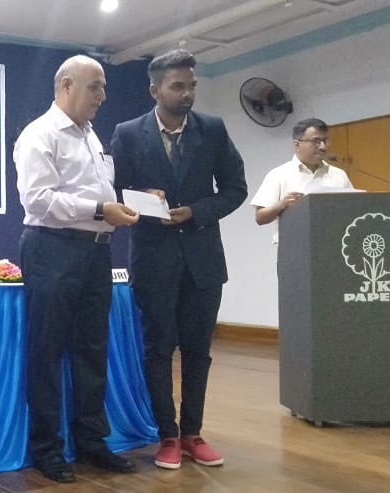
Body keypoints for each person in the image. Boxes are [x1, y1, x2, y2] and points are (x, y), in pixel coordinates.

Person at [110, 49, 247, 470]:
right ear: (155, 90)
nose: (187, 93)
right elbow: (113, 191)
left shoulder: (213, 129)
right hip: (153, 259)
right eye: (177, 86)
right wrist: (140, 197)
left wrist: (196, 211)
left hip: (203, 262)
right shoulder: (128, 133)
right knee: (157, 351)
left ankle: (193, 434)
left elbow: (235, 189)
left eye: (191, 86)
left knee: (197, 352)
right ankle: (167, 436)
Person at [13, 54, 140, 484]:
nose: (103, 96)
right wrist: (102, 210)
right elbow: (38, 200)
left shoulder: (90, 136)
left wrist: (130, 202)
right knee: (47, 351)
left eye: (103, 87)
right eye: (95, 86)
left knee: (91, 349)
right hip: (52, 249)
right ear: (66, 85)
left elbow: (97, 193)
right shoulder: (40, 134)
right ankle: (46, 449)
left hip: (95, 252)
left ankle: (91, 442)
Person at [251, 118, 353, 241]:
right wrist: (281, 205)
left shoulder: (339, 175)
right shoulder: (278, 174)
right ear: (297, 145)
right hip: (295, 246)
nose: (322, 147)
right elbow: (260, 218)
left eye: (325, 141)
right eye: (316, 141)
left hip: (335, 243)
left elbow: (354, 209)